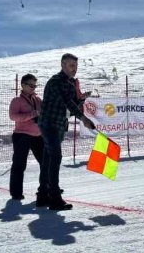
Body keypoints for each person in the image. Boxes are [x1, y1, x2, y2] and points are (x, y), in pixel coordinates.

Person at [38, 53, 96, 211]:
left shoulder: (69, 83)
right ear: (63, 65)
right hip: (49, 124)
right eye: (71, 66)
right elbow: (67, 102)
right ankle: (55, 199)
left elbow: (71, 104)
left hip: (58, 125)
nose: (74, 69)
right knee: (55, 157)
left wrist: (81, 99)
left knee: (48, 158)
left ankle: (43, 195)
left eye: (76, 66)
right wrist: (83, 118)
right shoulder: (56, 81)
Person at [9, 73, 47, 203]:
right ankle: (16, 193)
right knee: (19, 164)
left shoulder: (38, 99)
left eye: (35, 85)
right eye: (31, 85)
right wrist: (31, 115)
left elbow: (44, 111)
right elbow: (13, 116)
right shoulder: (17, 101)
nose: (33, 88)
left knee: (45, 162)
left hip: (38, 135)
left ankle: (47, 188)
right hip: (22, 135)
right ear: (23, 85)